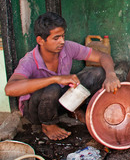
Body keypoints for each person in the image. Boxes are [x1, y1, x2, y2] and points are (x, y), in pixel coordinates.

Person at [4, 12, 121, 140]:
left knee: (98, 73)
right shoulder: (29, 61)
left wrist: (111, 75)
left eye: (63, 36)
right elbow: (9, 89)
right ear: (40, 40)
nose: (62, 41)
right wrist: (55, 79)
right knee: (53, 87)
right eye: (56, 38)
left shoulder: (68, 47)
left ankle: (74, 109)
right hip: (36, 111)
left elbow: (102, 56)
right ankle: (48, 125)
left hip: (59, 102)